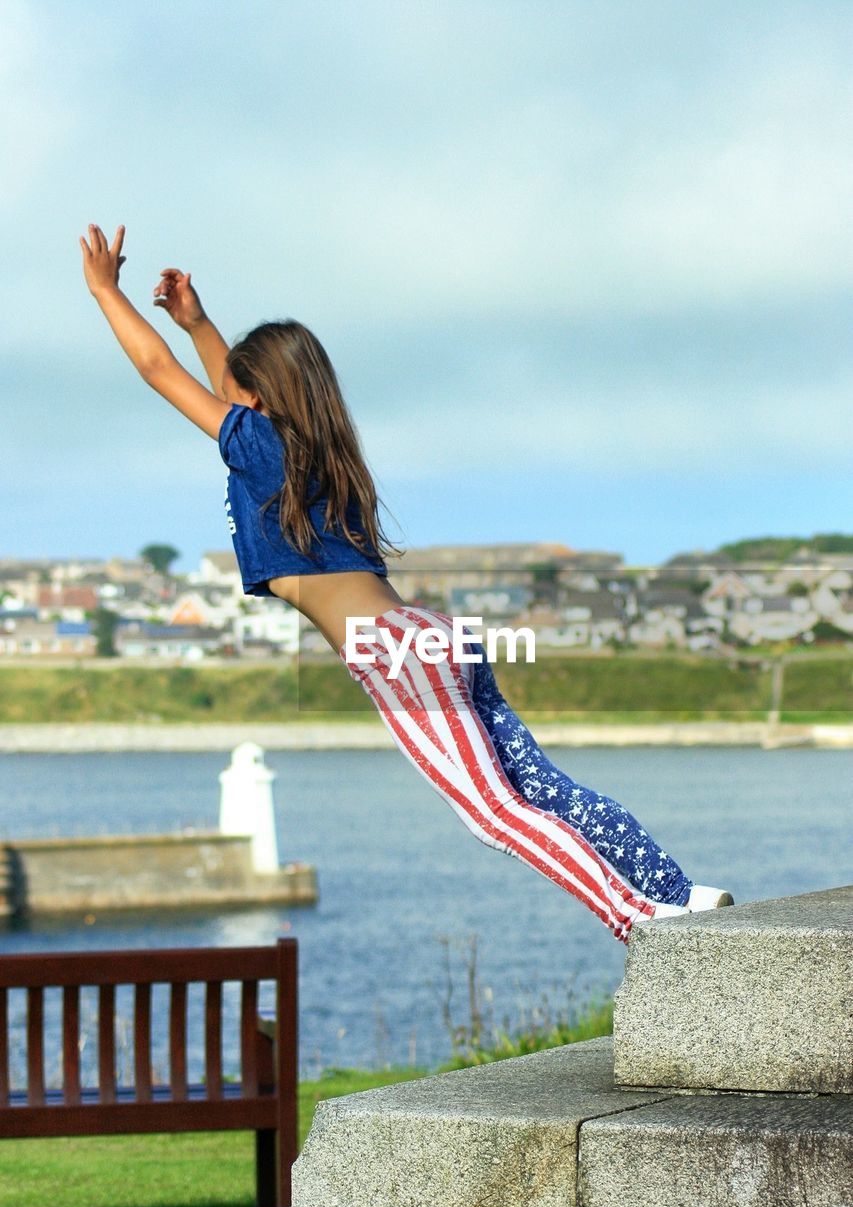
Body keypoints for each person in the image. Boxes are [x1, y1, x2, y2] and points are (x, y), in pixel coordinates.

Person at [79, 223, 734, 944]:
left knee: (494, 814)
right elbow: (228, 389)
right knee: (542, 788)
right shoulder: (323, 457)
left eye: (236, 386)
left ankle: (637, 915)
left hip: (392, 652)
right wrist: (200, 323)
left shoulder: (264, 451)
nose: (225, 396)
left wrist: (106, 291)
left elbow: (155, 369)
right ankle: (679, 891)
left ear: (257, 398)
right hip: (431, 636)